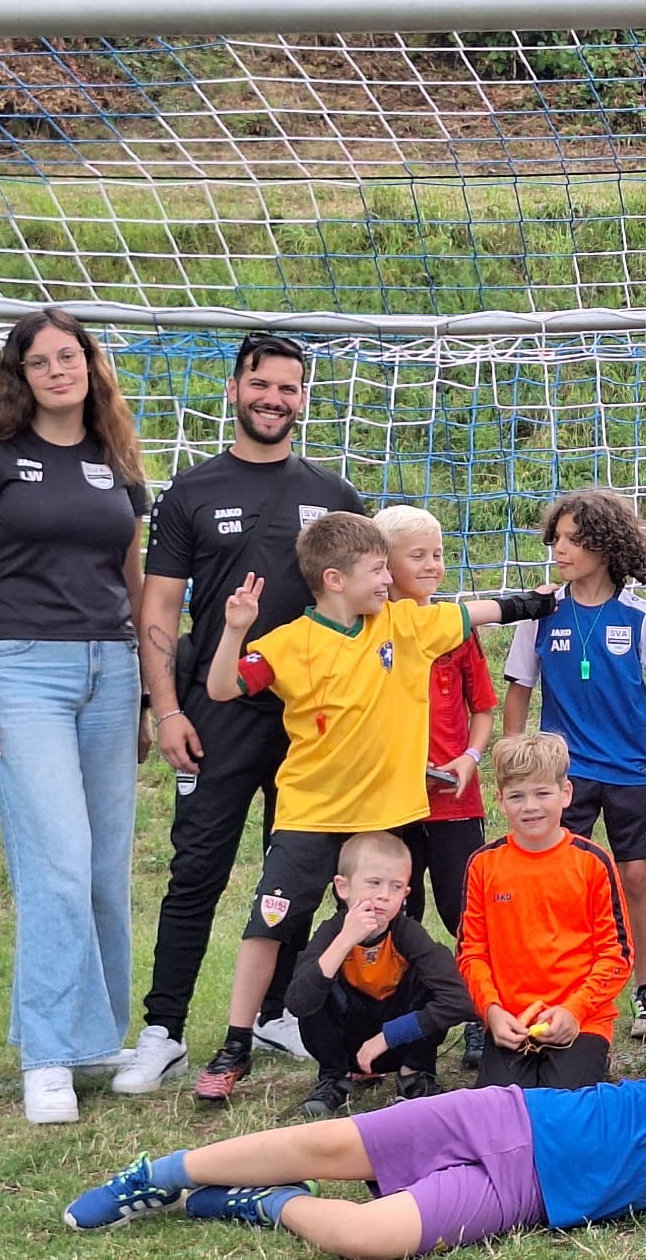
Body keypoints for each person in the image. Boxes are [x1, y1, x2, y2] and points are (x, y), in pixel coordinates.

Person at [63, 924, 646, 1260]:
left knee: (368, 1239)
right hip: (502, 1112)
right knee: (327, 1145)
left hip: (520, 1192)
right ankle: (160, 1172)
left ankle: (259, 1205)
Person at [192, 511, 550, 1103]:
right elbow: (224, 688)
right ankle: (236, 1044)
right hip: (310, 816)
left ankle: (407, 1047)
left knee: (396, 933)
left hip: (386, 821)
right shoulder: (288, 643)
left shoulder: (405, 626)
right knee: (270, 925)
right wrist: (235, 630)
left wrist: (538, 601)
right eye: (378, 569)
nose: (389, 581)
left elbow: (486, 610)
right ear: (335, 579)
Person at [120, 331, 363, 1094]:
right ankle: (162, 1029)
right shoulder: (189, 492)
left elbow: (370, 606)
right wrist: (166, 708)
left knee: (295, 872)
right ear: (234, 389)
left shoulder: (335, 495)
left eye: (289, 388)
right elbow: (159, 605)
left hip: (309, 724)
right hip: (217, 709)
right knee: (197, 869)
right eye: (262, 385)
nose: (274, 399)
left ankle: (272, 1013)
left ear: (302, 399)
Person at [0, 308, 150, 1125]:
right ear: (21, 375)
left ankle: (96, 1035)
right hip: (23, 671)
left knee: (103, 870)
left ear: (90, 366)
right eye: (41, 361)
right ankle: (47, 1055)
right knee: (57, 865)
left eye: (70, 356)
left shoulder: (117, 462)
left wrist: (145, 695)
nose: (58, 370)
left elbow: (135, 586)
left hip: (113, 670)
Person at [502, 490, 646, 1041]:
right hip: (566, 775)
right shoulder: (541, 611)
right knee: (561, 880)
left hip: (634, 770)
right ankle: (560, 988)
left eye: (573, 539)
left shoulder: (640, 614)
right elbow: (518, 688)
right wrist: (514, 764)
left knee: (634, 876)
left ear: (606, 546)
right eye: (555, 538)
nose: (559, 549)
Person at [374, 505, 495, 1069]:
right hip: (388, 802)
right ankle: (406, 1024)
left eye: (438, 555)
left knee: (463, 911)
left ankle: (479, 1012)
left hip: (453, 801)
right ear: (383, 564)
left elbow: (484, 711)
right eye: (417, 555)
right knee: (399, 912)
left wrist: (470, 758)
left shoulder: (455, 626)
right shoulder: (368, 631)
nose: (431, 565)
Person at [458, 732, 633, 1091]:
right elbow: (471, 952)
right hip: (512, 1020)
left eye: (542, 793)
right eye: (517, 796)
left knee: (565, 1115)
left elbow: (617, 955)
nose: (530, 806)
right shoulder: (483, 865)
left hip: (581, 1020)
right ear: (501, 801)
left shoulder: (592, 863)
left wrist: (576, 1009)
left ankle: (595, 1060)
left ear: (565, 794)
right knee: (500, 1115)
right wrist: (491, 1012)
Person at [281, 830, 477, 1118]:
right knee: (317, 977)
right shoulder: (332, 933)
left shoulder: (407, 933)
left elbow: (461, 999)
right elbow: (298, 1002)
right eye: (374, 883)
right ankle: (334, 1077)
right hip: (349, 1044)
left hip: (400, 1041)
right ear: (343, 887)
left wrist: (389, 1037)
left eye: (396, 887)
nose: (384, 896)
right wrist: (345, 941)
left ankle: (415, 1074)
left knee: (431, 980)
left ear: (406, 894)